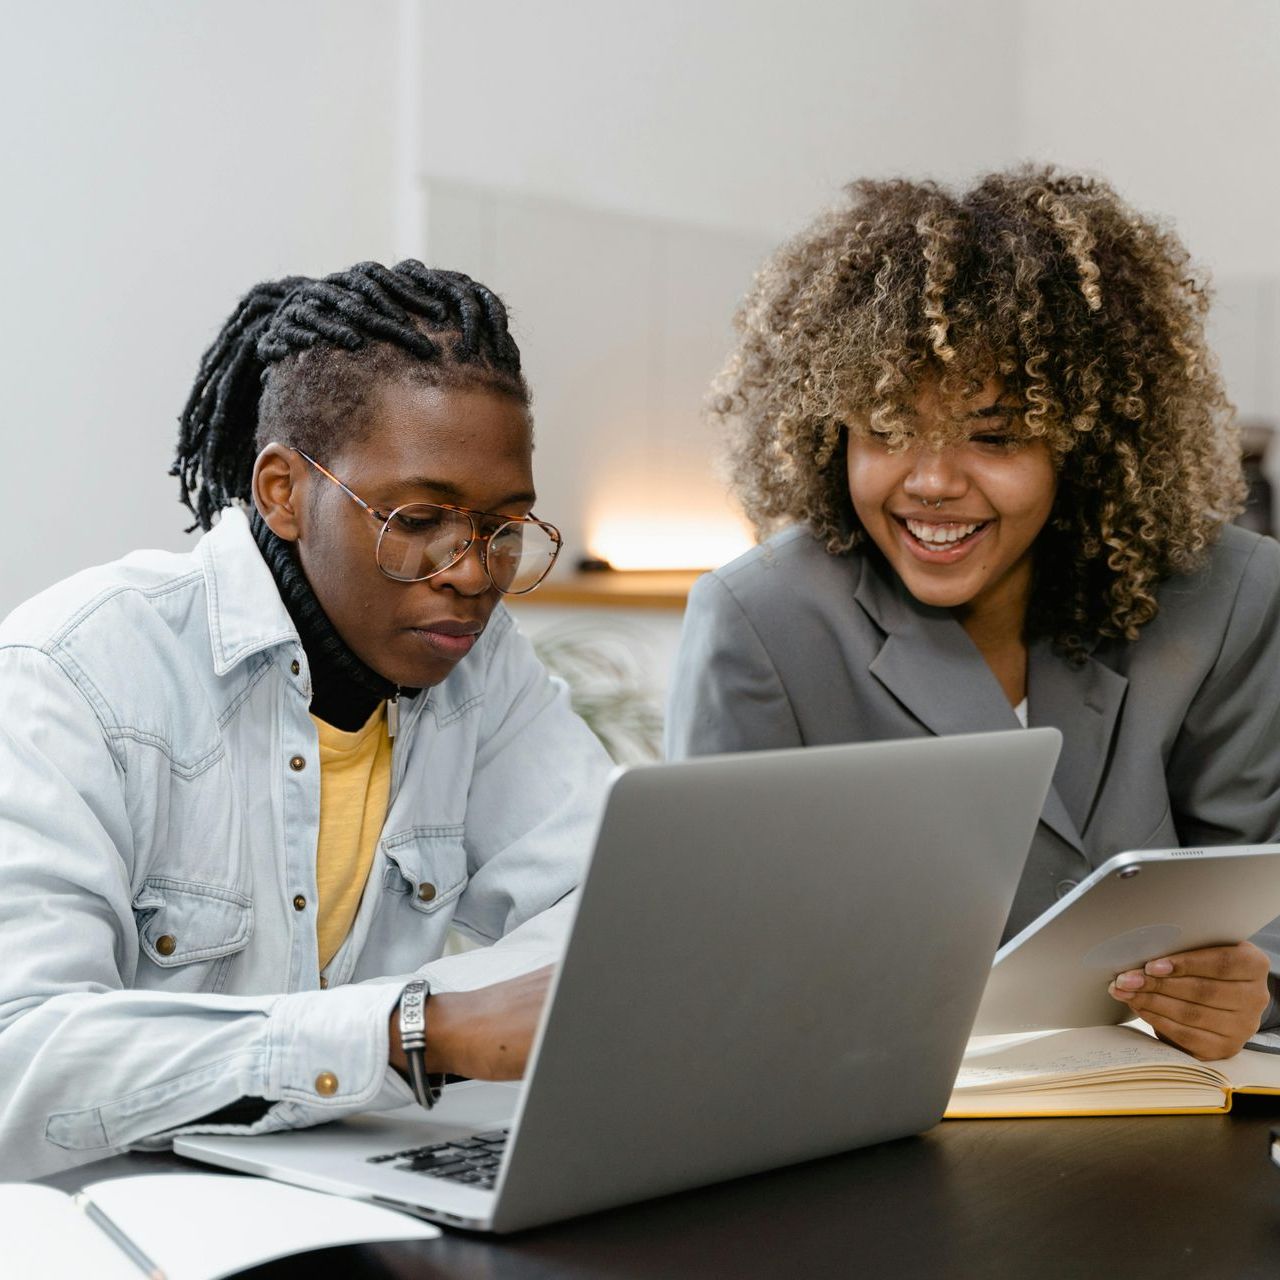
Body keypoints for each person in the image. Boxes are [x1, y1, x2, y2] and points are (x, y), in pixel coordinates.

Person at [0, 261, 613, 1178]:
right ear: (284, 491)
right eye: (420, 518)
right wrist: (408, 1034)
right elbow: (20, 1057)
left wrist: (408, 1036)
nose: (473, 572)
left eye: (504, 527)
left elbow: (603, 911)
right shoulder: (77, 671)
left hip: (337, 1188)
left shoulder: (479, 666)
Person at [666, 169, 1280, 1060]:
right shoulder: (760, 624)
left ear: (1085, 440)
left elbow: (1263, 900)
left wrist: (1245, 988)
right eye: (885, 427)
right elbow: (712, 962)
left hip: (1164, 1118)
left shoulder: (1226, 596)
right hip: (873, 1124)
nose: (932, 483)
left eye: (994, 436)